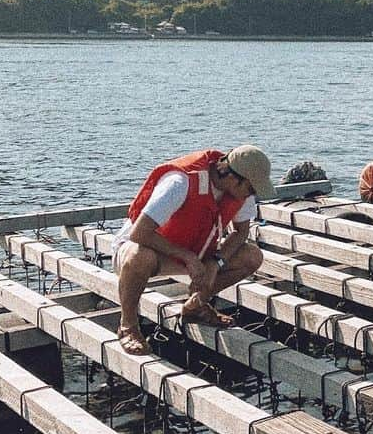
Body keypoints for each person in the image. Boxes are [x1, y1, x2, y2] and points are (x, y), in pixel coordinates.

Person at [113, 145, 276, 354]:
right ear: (233, 177)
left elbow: (241, 232)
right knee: (139, 256)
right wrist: (188, 258)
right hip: (147, 249)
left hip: (193, 251)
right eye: (251, 189)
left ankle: (196, 305)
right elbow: (139, 233)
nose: (252, 195)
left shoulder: (240, 193)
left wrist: (215, 263)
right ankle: (128, 326)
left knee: (251, 256)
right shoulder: (180, 182)